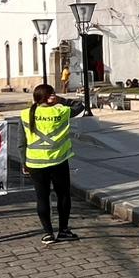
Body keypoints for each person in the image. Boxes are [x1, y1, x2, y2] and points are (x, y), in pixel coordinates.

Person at [21, 84, 84, 245]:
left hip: (35, 162)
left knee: (42, 198)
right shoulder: (60, 111)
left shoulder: (26, 113)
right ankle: (63, 230)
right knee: (63, 196)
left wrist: (23, 162)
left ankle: (48, 233)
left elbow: (22, 142)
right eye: (52, 94)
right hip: (58, 160)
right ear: (49, 97)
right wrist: (61, 100)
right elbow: (79, 105)